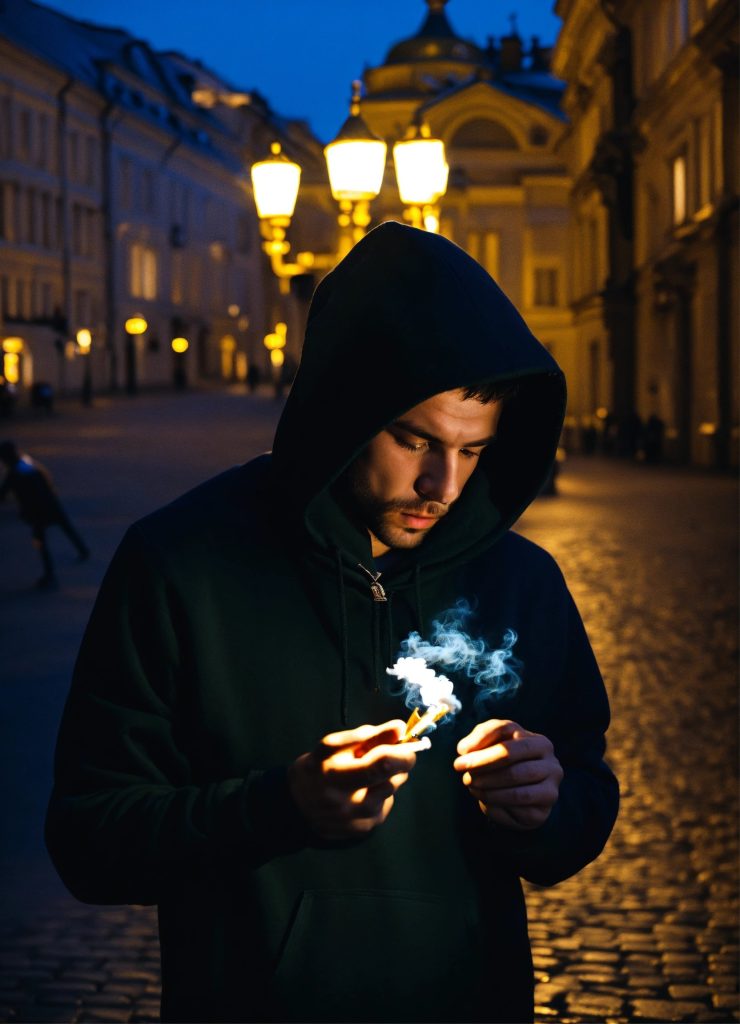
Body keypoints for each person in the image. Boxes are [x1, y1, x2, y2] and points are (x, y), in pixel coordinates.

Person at [46, 223, 618, 1024]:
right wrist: (279, 806)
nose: (442, 484)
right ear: (340, 409)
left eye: (474, 450)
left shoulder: (521, 581)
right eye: (414, 439)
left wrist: (546, 806)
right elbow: (90, 841)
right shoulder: (181, 563)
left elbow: (586, 801)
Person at [0, 440, 89, 589]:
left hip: (37, 511)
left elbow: (3, 494)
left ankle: (49, 575)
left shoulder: (14, 473)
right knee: (66, 527)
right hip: (51, 504)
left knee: (41, 542)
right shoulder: (27, 464)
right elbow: (46, 480)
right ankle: (82, 550)